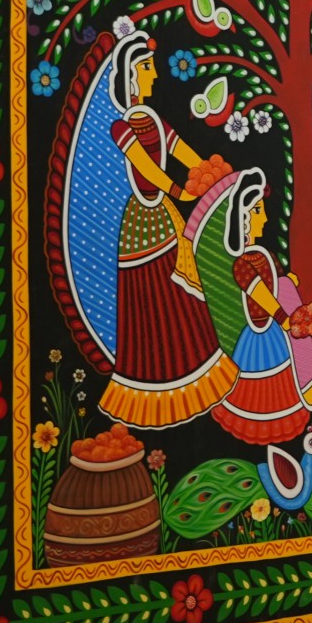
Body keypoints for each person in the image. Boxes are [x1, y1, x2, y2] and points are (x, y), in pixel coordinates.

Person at [100, 30, 238, 428]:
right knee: (151, 302)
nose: (154, 74)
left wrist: (208, 172)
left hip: (164, 216)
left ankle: (195, 374)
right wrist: (179, 189)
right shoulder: (122, 127)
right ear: (130, 75)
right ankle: (152, 388)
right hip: (143, 225)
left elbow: (182, 152)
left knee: (183, 298)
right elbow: (145, 167)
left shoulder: (155, 120)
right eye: (147, 68)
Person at [210, 171, 312, 444]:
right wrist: (284, 319)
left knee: (284, 384)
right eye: (258, 211)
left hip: (276, 329)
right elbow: (261, 294)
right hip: (261, 333)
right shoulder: (242, 264)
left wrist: (290, 282)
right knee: (259, 387)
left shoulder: (264, 255)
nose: (265, 218)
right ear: (243, 218)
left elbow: (278, 282)